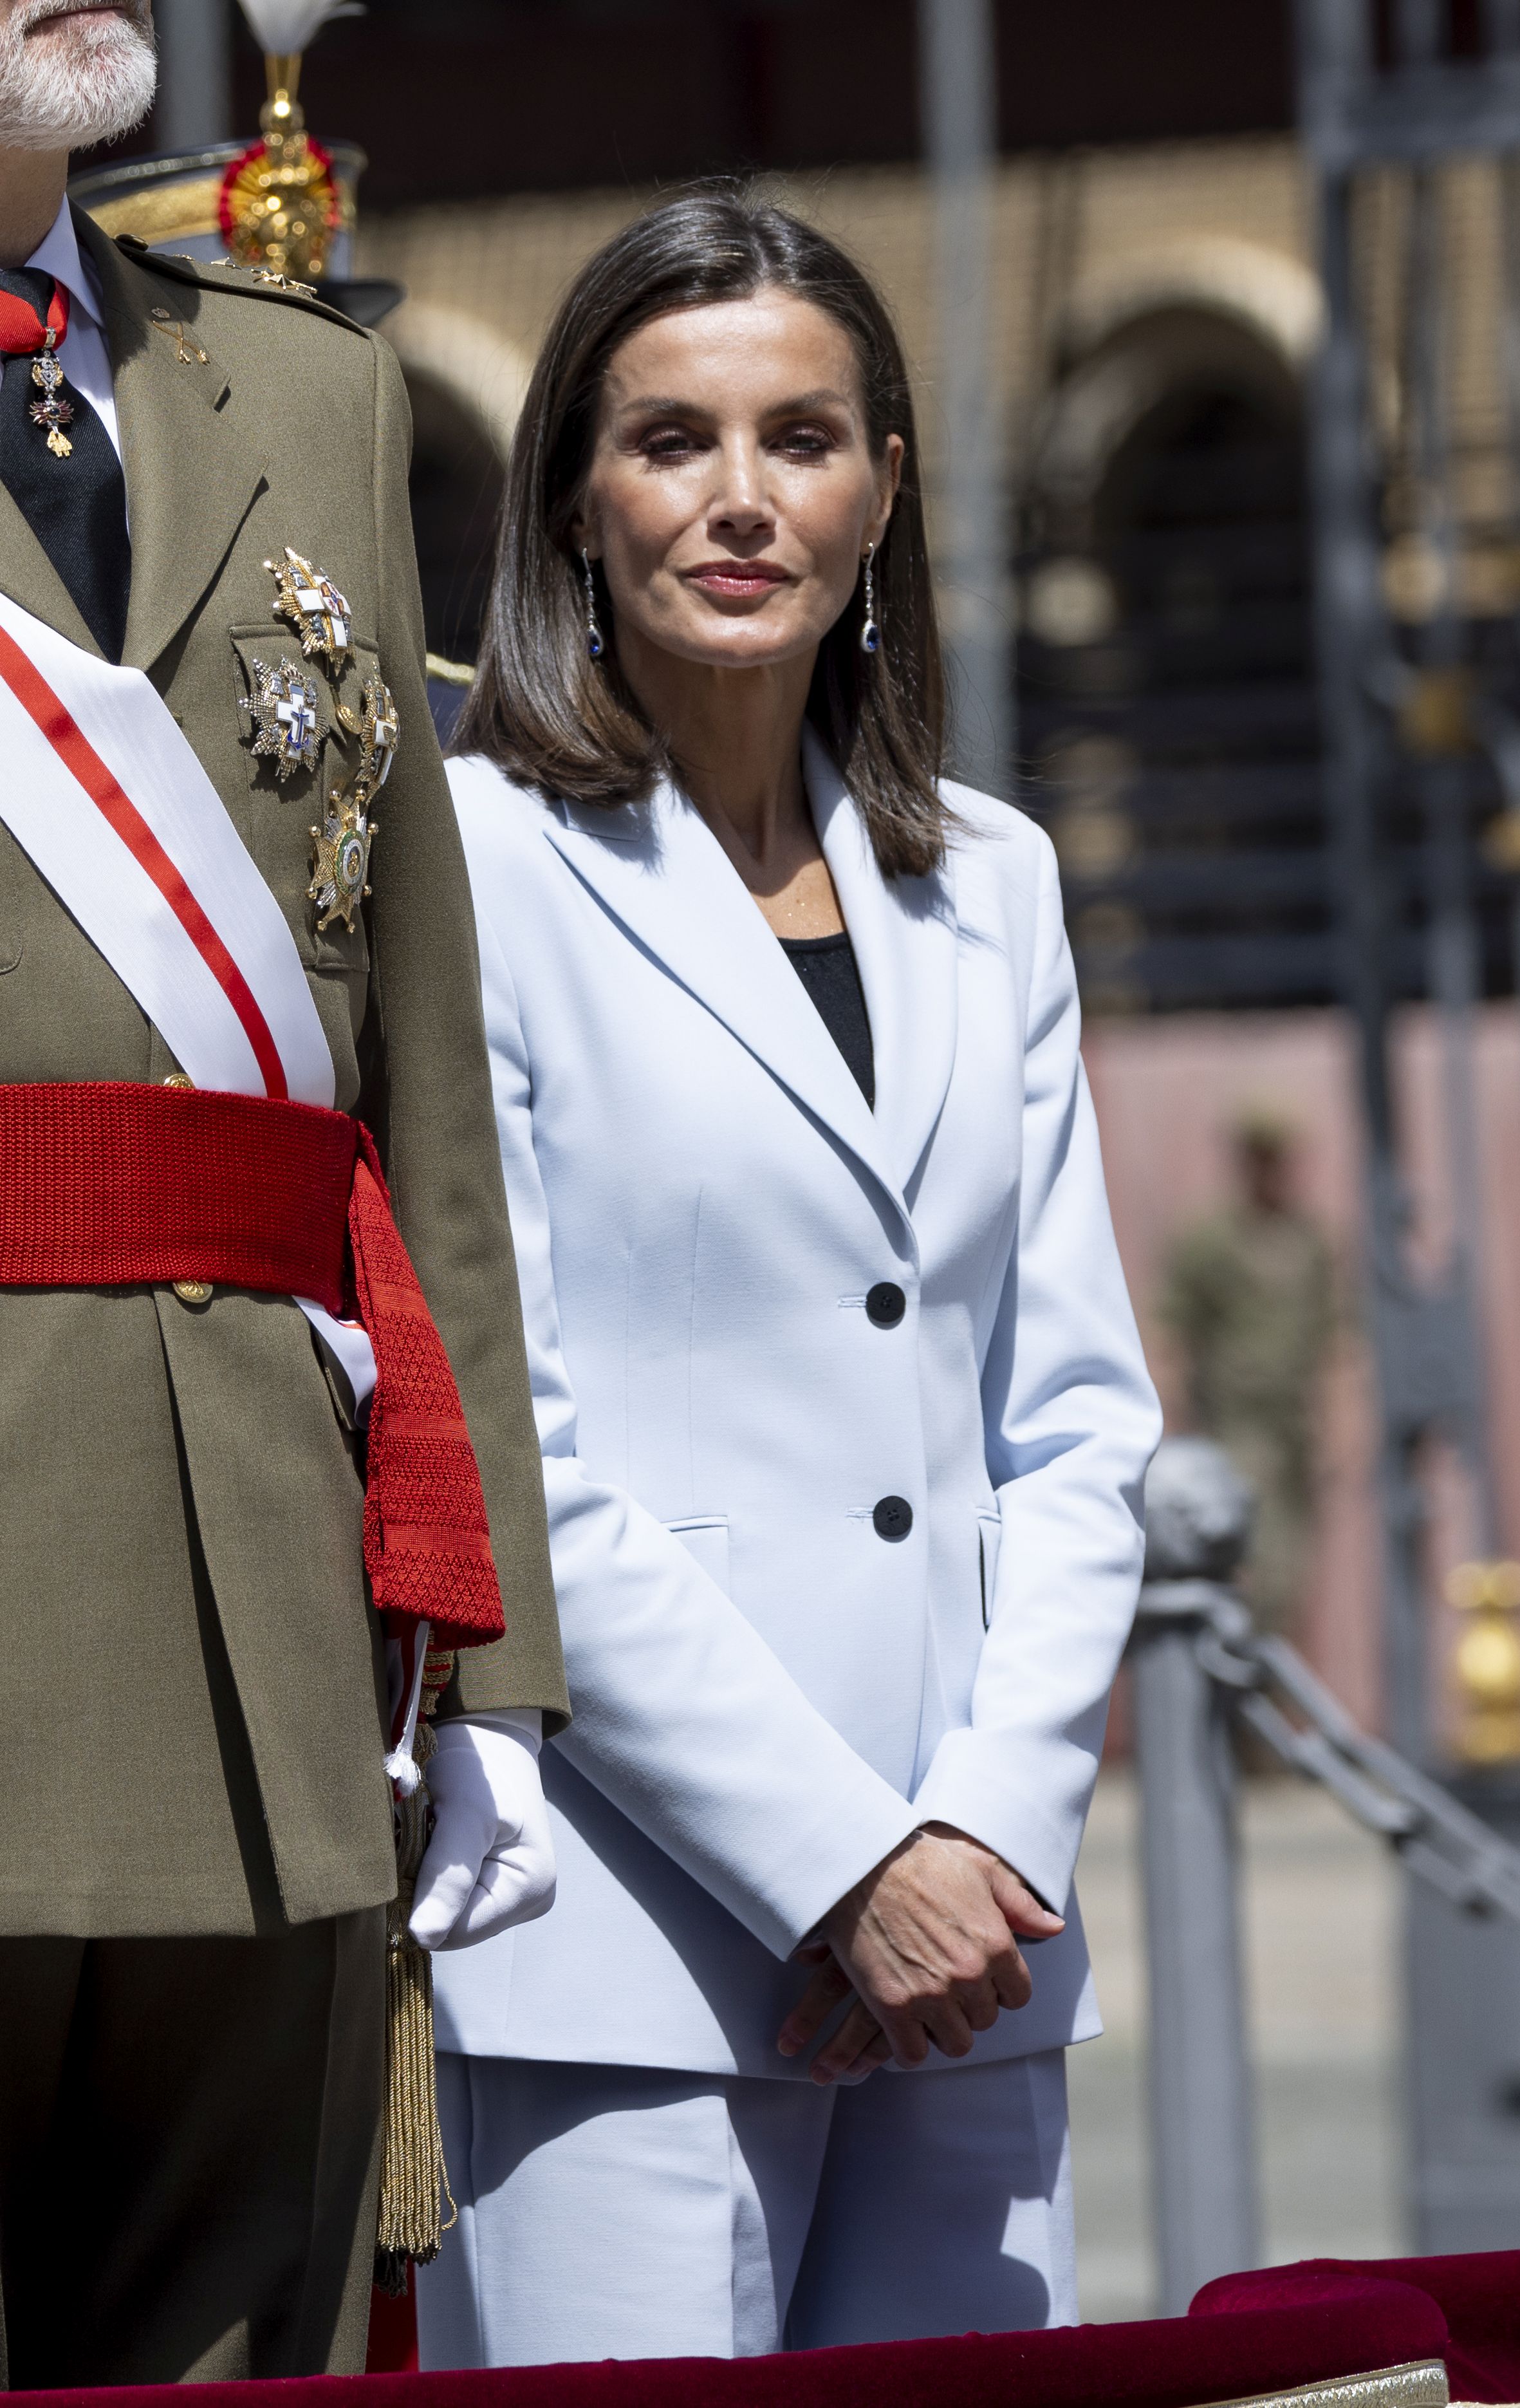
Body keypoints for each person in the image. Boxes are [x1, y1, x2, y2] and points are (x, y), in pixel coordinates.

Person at [417, 189, 1162, 2367]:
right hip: (625, 1953)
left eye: (802, 437)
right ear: (573, 493)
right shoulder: (475, 868)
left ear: (885, 486)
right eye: (670, 440)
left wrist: (984, 1834)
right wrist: (844, 1863)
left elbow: (1078, 1421)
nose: (740, 501)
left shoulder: (994, 882)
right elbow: (509, 1449)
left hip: (976, 1950)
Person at [0, 0, 566, 2384]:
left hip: (268, 1588)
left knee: (250, 2343)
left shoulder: (299, 386)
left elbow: (414, 1073)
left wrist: (494, 1651)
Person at [1160, 1110, 1339, 1634]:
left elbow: (1337, 1336)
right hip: (1237, 1426)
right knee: (1261, 1571)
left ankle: (1271, 1702)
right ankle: (1243, 1704)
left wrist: (1341, 1421)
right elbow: (1174, 1332)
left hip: (1295, 1430)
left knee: (1294, 1578)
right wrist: (1177, 1431)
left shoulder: (1308, 1240)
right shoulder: (1211, 1240)